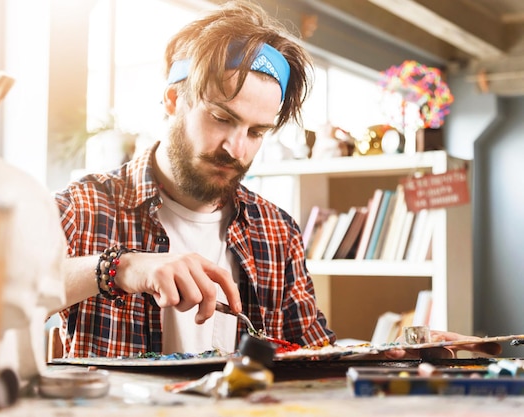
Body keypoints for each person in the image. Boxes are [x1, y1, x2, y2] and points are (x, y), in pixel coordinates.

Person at [54, 0, 499, 360]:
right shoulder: (83, 206)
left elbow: (313, 357)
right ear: (173, 100)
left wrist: (406, 355)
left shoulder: (275, 230)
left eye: (256, 131)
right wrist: (119, 268)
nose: (236, 148)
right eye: (221, 118)